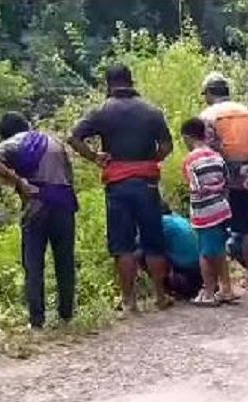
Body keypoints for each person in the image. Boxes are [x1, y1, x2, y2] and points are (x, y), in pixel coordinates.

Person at [68, 64, 173, 313]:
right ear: (131, 81)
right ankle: (160, 296)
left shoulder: (101, 111)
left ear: (109, 84)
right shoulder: (151, 111)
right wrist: (150, 161)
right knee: (154, 241)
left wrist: (95, 157)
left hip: (118, 184)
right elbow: (167, 146)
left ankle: (129, 301)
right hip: (146, 183)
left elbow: (73, 138)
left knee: (122, 245)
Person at [0, 112, 78, 330]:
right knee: (65, 261)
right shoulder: (54, 141)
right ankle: (67, 315)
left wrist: (18, 181)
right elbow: (69, 174)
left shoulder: (12, 143)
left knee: (33, 264)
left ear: (5, 133)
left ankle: (37, 321)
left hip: (36, 206)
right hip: (63, 204)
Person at [199, 72, 248, 291]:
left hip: (219, 180)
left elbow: (206, 149)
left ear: (209, 93)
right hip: (246, 176)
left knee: (216, 228)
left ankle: (221, 283)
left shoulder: (208, 115)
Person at [181, 117, 236, 306]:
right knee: (220, 249)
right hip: (222, 208)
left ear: (187, 138)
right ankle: (226, 289)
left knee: (205, 253)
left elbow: (194, 186)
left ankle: (209, 292)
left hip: (205, 212)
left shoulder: (190, 160)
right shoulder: (216, 156)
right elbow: (227, 181)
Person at [158, 203, 203, 301]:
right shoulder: (178, 218)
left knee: (145, 254)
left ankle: (163, 291)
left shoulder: (161, 223)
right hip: (201, 268)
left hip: (187, 272)